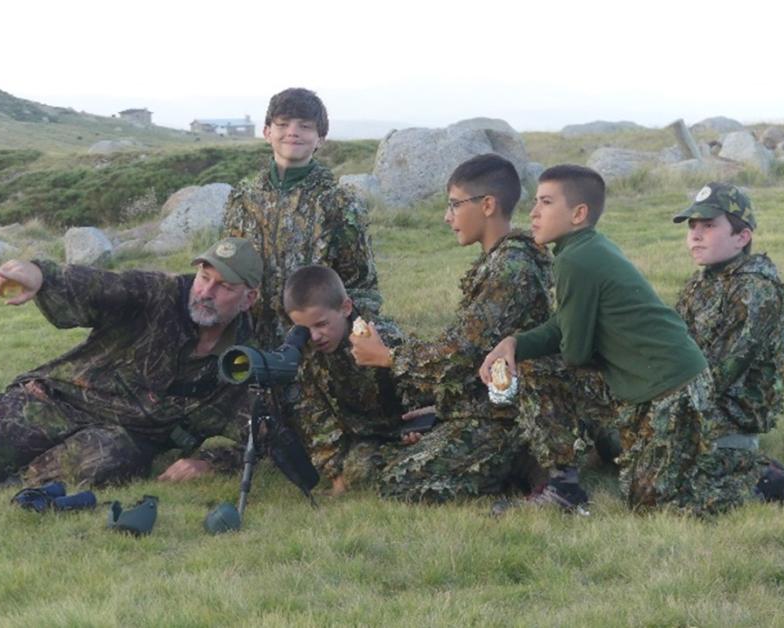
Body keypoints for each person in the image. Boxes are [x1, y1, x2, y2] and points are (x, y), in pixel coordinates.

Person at [0, 237, 263, 491]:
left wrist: (208, 463)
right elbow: (102, 286)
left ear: (249, 298)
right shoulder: (159, 292)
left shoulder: (243, 360)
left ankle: (7, 483)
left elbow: (260, 436)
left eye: (224, 287)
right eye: (204, 277)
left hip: (118, 438)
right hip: (58, 401)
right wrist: (42, 276)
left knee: (108, 459)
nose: (205, 292)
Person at [480, 164, 729, 516]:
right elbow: (564, 325)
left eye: (547, 203)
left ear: (579, 213)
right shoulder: (585, 248)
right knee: (640, 480)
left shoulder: (576, 260)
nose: (534, 213)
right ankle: (569, 478)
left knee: (654, 504)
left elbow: (575, 351)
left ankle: (753, 473)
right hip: (671, 383)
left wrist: (536, 355)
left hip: (671, 392)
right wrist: (515, 343)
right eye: (535, 202)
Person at [351, 153, 587, 503]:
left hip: (505, 414)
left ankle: (522, 466)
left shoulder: (511, 268)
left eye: (455, 205)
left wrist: (389, 358)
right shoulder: (499, 261)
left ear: (488, 205)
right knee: (390, 452)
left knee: (400, 482)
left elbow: (460, 352)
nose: (448, 217)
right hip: (490, 400)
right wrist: (443, 409)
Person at [673, 183, 784, 505]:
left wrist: (661, 400)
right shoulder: (703, 282)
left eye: (708, 226)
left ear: (742, 237)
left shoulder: (755, 290)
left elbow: (720, 376)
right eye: (693, 226)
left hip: (730, 411)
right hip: (695, 395)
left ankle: (761, 478)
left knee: (671, 493)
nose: (695, 235)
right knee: (619, 440)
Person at [223, 87, 381, 349]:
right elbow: (229, 272)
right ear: (266, 132)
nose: (293, 132)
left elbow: (362, 285)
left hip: (317, 349)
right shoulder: (242, 200)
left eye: (305, 126)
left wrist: (339, 336)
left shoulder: (340, 203)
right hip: (253, 345)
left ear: (320, 139)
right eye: (282, 124)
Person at [283, 265, 414, 495]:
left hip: (403, 425)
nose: (314, 336)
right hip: (360, 433)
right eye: (304, 329)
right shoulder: (303, 350)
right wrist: (336, 475)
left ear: (346, 308)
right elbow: (314, 415)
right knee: (356, 472)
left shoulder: (381, 338)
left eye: (321, 324)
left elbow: (417, 389)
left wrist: (417, 429)